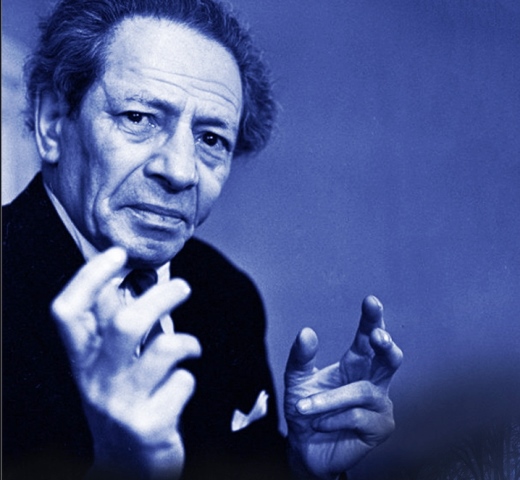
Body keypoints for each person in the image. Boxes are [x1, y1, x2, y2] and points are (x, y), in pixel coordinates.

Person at [2, 0, 403, 478]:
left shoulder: (226, 294)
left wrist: (299, 467)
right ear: (52, 122)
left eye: (211, 139)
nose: (180, 171)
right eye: (139, 117)